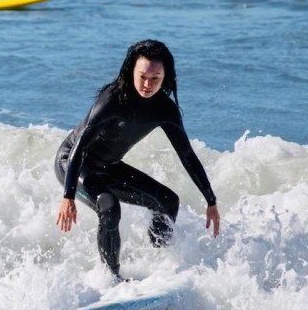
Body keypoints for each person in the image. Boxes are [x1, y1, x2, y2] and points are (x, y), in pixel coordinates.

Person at [54, 39, 220, 280]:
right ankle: (111, 278)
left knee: (167, 201)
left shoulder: (165, 109)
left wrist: (210, 200)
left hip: (108, 166)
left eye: (155, 79)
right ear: (131, 70)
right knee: (109, 207)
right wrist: (68, 196)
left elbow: (186, 155)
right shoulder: (112, 100)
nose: (147, 84)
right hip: (72, 162)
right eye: (142, 76)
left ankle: (159, 263)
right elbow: (79, 148)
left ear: (165, 78)